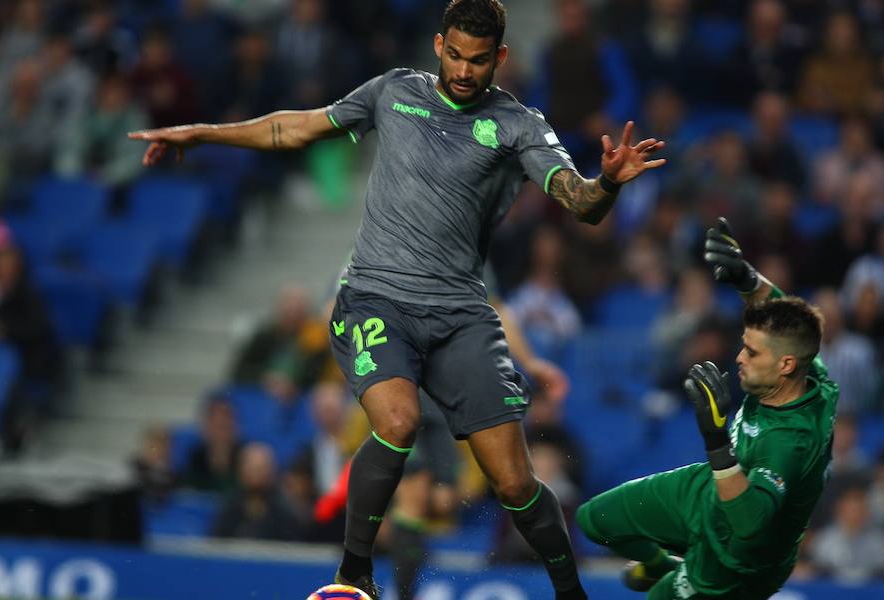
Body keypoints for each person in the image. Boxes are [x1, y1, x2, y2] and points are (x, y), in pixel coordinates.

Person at [129, 1, 665, 597]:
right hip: (375, 299)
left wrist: (609, 182)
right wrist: (203, 134)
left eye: (479, 60)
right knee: (398, 421)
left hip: (461, 315)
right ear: (439, 45)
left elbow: (581, 203)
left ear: (501, 58)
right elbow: (299, 126)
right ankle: (353, 575)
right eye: (456, 55)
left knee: (514, 483)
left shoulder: (519, 126)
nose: (464, 71)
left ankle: (571, 590)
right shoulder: (393, 92)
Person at [575, 217, 838, 598]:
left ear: (785, 365)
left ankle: (678, 574)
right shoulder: (809, 370)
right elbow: (787, 316)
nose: (739, 358)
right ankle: (659, 564)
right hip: (709, 491)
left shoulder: (789, 441)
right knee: (595, 520)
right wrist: (747, 279)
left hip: (740, 554)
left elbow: (751, 525)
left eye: (751, 351)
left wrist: (716, 440)